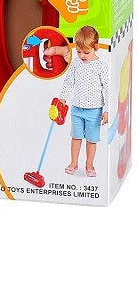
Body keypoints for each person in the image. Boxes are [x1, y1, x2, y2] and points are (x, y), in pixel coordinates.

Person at [57, 26, 108, 177]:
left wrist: (107, 110)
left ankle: (89, 165)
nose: (82, 56)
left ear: (96, 48)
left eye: (86, 52)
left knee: (91, 140)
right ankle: (73, 162)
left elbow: (107, 88)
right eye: (79, 52)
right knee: (76, 137)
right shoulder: (76, 63)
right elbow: (69, 82)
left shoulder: (101, 66)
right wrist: (62, 98)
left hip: (94, 111)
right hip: (77, 109)